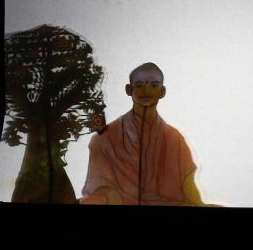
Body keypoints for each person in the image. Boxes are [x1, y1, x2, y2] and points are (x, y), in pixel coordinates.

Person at [79, 62, 216, 206]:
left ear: (162, 92)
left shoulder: (174, 138)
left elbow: (187, 182)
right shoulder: (106, 137)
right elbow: (102, 187)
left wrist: (200, 204)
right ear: (129, 89)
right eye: (139, 85)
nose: (146, 90)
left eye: (154, 85)